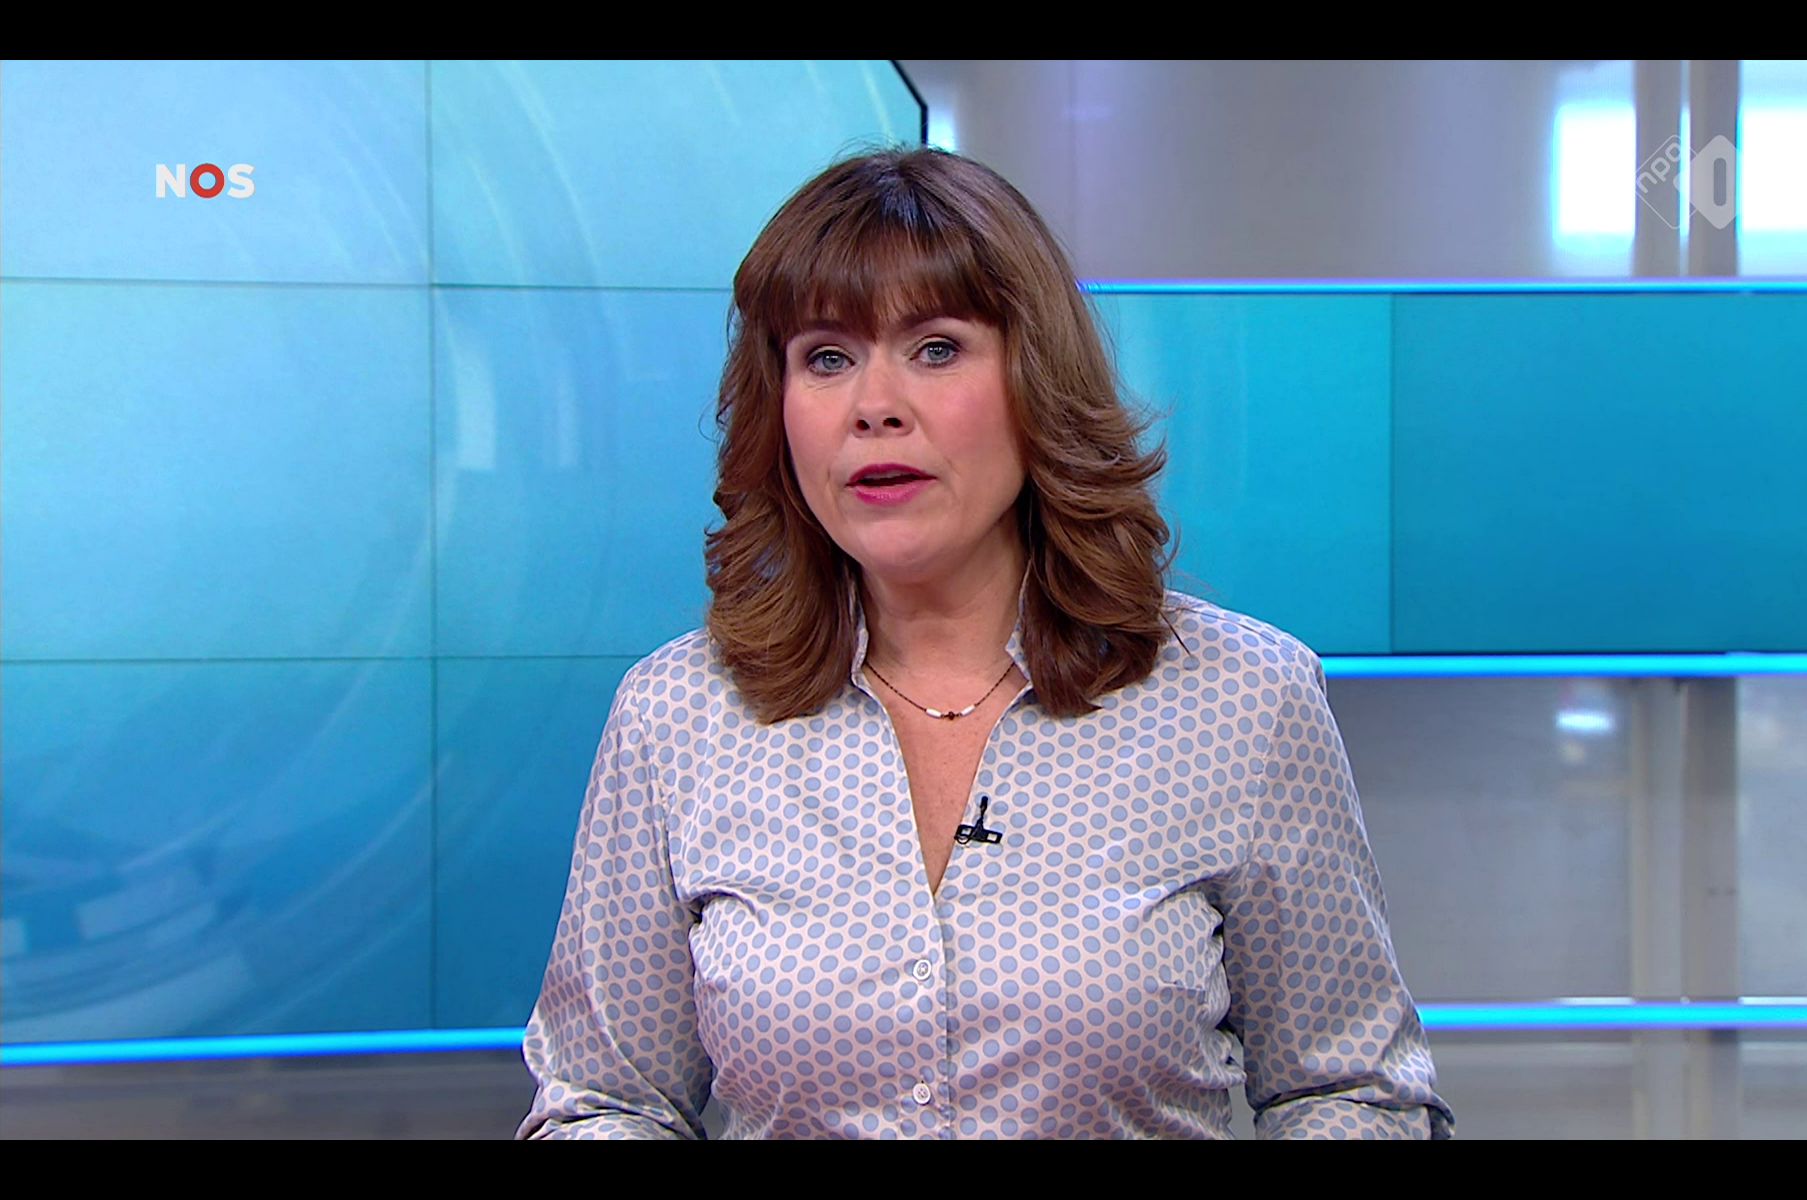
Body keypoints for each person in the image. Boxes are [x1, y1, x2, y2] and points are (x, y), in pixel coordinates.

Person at [515, 146, 1455, 1140]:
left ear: (1034, 379)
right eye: (826, 358)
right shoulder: (678, 717)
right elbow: (605, 1101)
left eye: (936, 348)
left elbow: (1351, 1088)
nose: (875, 406)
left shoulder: (1242, 700)